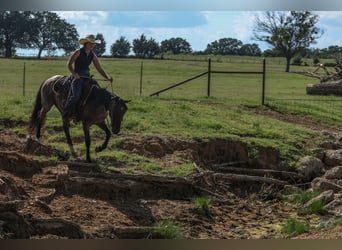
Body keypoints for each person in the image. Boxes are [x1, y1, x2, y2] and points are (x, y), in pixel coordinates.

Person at [62, 34, 113, 120]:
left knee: (98, 92)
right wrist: (74, 73)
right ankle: (66, 113)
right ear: (86, 43)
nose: (92, 45)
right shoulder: (78, 52)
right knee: (76, 96)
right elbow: (69, 64)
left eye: (93, 43)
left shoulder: (92, 55)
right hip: (77, 77)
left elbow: (99, 68)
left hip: (87, 77)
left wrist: (107, 77)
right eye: (91, 43)